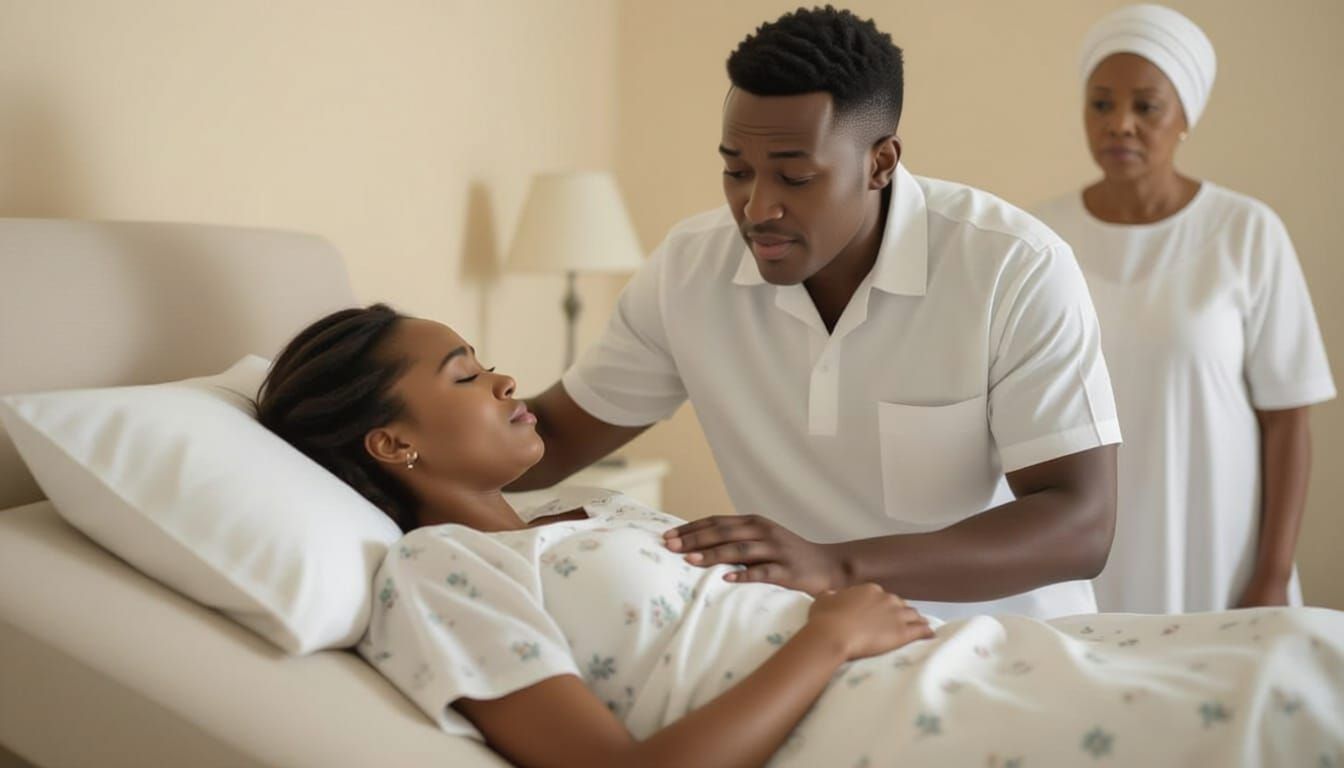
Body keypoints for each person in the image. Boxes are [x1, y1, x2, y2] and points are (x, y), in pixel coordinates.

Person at [256, 305, 1344, 767]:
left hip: (942, 660)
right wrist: (831, 635)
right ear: (393, 443)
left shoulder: (579, 519)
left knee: (1299, 648)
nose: (501, 375)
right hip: (873, 715)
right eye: (462, 373)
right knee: (1279, 695)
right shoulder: (438, 570)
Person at [510, 6, 1122, 622]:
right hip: (809, 651)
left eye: (795, 178)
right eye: (735, 171)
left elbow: (1080, 522)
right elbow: (553, 438)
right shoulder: (687, 271)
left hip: (1008, 650)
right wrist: (416, 454)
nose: (757, 208)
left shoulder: (1013, 266)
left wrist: (835, 566)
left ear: (880, 163)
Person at [1032, 4, 1336, 614]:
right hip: (1086, 552)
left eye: (1146, 106)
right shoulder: (1042, 237)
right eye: (1101, 104)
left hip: (1220, 550)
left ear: (1185, 116)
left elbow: (1288, 420)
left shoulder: (1245, 232)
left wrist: (1272, 574)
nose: (1120, 124)